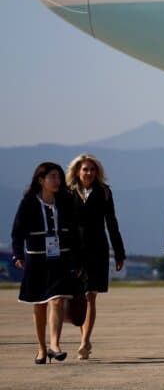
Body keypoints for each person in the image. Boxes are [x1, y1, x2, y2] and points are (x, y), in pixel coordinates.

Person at [11, 162, 83, 364]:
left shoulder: (66, 202)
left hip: (61, 259)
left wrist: (77, 260)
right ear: (41, 180)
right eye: (52, 177)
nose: (57, 181)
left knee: (58, 299)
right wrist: (18, 255)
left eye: (59, 177)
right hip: (36, 259)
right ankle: (42, 349)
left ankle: (54, 345)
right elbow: (17, 232)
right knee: (40, 305)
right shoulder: (28, 203)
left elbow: (75, 233)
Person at [67, 153, 126, 360]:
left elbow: (112, 223)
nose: (89, 173)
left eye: (92, 169)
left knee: (91, 295)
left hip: (97, 249)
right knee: (77, 297)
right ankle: (83, 335)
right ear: (77, 171)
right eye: (85, 169)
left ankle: (85, 341)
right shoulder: (67, 193)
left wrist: (119, 252)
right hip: (73, 251)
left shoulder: (104, 192)